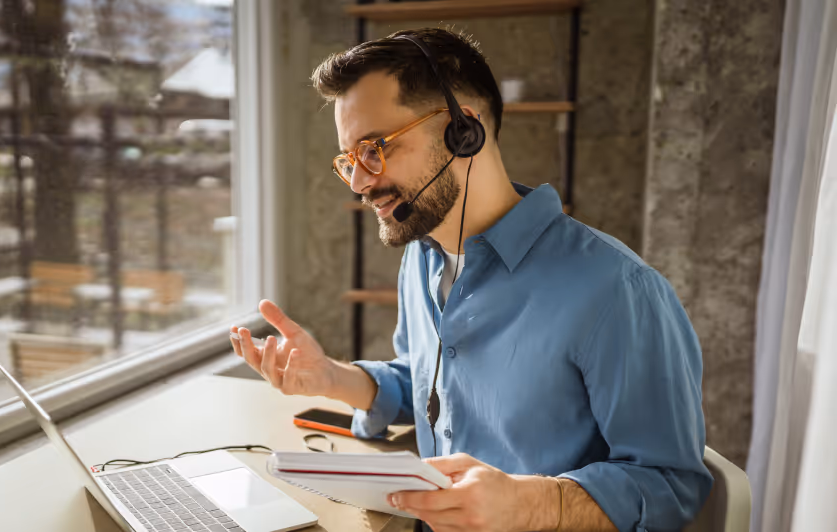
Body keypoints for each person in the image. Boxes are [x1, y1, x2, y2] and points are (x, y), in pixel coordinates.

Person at [230, 28, 712, 532]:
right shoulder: (421, 259)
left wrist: (532, 504)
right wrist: (333, 379)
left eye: (374, 148)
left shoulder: (618, 290)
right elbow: (429, 387)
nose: (359, 182)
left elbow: (671, 484)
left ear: (463, 130)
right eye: (348, 160)